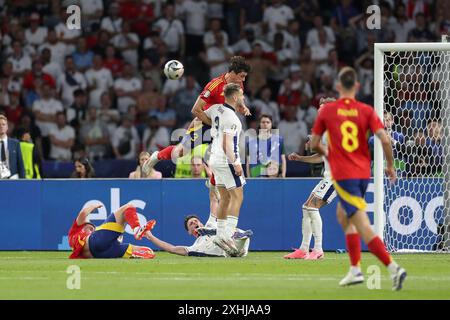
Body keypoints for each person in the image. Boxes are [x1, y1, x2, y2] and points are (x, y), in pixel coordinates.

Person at [310, 67, 407, 290]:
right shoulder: (366, 110)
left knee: (363, 225)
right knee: (343, 216)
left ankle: (394, 268)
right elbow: (384, 139)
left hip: (345, 175)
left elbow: (315, 143)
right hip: (364, 173)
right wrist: (391, 165)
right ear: (357, 86)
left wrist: (330, 154)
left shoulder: (328, 111)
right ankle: (355, 270)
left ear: (337, 86)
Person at [142, 56, 251, 173]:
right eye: (242, 76)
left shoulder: (238, 84)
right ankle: (156, 156)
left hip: (221, 126)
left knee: (222, 156)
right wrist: (213, 123)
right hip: (204, 123)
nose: (243, 80)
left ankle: (215, 185)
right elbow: (195, 110)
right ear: (233, 73)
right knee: (180, 152)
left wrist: (243, 107)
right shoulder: (214, 85)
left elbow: (238, 100)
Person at [284, 98, 337, 260]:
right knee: (306, 208)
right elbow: (322, 157)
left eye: (323, 108)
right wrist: (300, 158)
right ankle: (303, 249)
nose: (319, 111)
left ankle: (318, 249)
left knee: (312, 208)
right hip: (328, 177)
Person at [199, 83, 246, 256]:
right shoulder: (232, 119)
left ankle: (219, 234)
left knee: (224, 197)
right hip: (226, 160)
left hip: (214, 159)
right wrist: (236, 163)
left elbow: (199, 115)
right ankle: (229, 234)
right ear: (234, 97)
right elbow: (227, 144)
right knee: (238, 195)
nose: (243, 98)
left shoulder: (216, 109)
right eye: (241, 95)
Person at [68, 203, 156, 259]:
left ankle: (134, 250)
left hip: (101, 255)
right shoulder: (77, 229)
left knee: (149, 252)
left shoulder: (75, 242)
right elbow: (83, 213)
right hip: (98, 244)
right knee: (129, 207)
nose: (92, 229)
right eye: (90, 228)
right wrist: (93, 206)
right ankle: (137, 230)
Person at [144, 214, 251, 257]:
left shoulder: (210, 223)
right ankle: (237, 241)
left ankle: (237, 237)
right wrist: (150, 236)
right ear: (189, 232)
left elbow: (213, 200)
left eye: (196, 221)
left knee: (225, 230)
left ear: (201, 223)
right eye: (191, 224)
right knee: (231, 246)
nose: (195, 223)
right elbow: (172, 248)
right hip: (229, 253)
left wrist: (212, 180)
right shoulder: (194, 247)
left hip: (233, 239)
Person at [0, 114, 25, 179]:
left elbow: (20, 165)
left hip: (13, 179)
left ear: (7, 127)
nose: (1, 126)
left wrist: (23, 182)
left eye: (3, 124)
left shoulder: (15, 143)